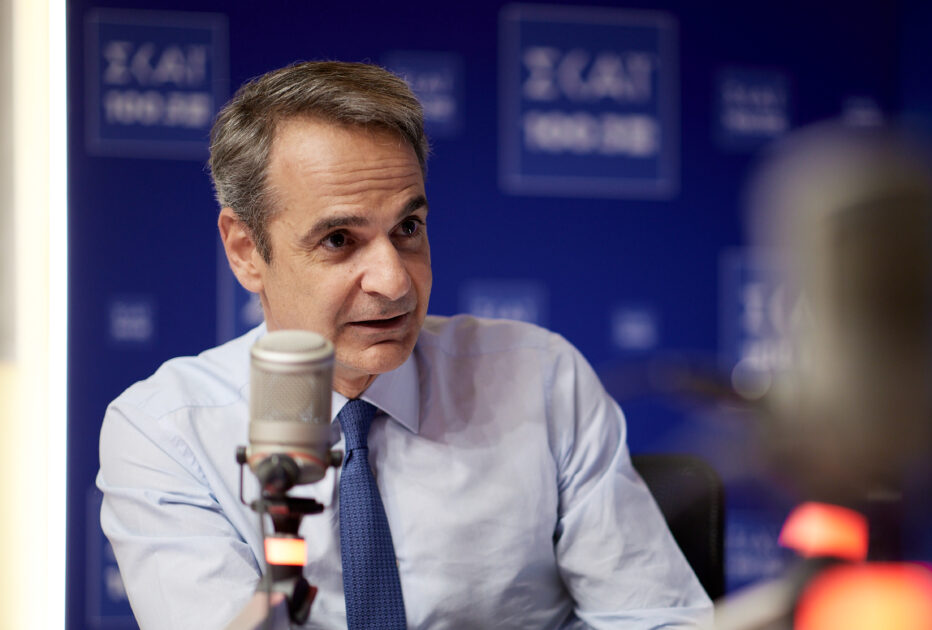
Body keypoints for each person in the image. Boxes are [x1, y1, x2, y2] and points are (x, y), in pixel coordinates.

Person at [96, 61, 711, 630]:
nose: (393, 283)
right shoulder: (166, 433)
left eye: (407, 228)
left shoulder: (540, 378)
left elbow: (657, 619)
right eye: (339, 239)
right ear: (245, 251)